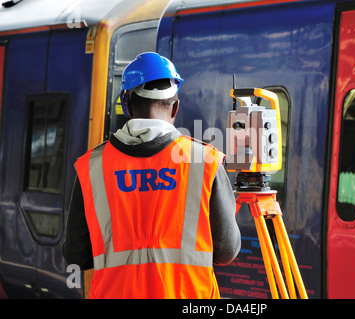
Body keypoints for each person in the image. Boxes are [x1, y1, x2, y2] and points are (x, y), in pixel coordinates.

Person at [62, 52, 241, 299]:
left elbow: (76, 255)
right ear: (175, 107)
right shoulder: (204, 161)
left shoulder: (92, 167)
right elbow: (227, 250)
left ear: (127, 104)